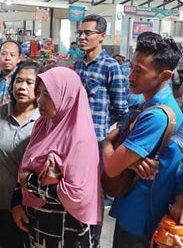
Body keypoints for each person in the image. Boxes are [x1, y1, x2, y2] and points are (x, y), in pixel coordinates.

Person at [103, 33, 183, 247]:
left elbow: (111, 167)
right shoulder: (144, 103)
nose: (131, 76)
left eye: (140, 71)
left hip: (141, 214)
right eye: (132, 67)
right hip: (133, 206)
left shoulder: (157, 116)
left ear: (165, 75)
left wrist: (107, 143)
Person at [13, 67, 101, 248]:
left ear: (67, 96)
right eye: (39, 93)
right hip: (39, 222)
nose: (40, 100)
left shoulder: (79, 137)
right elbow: (25, 167)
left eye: (48, 95)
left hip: (66, 227)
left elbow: (76, 193)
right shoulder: (43, 125)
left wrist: (29, 182)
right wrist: (21, 196)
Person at [74, 14, 128, 246]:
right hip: (75, 139)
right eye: (81, 33)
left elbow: (122, 107)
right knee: (78, 190)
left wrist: (105, 129)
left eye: (88, 33)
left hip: (96, 141)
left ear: (102, 36)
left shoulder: (111, 67)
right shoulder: (77, 64)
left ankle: (93, 240)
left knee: (94, 194)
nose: (82, 37)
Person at [0, 61, 44, 248]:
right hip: (3, 198)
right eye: (18, 81)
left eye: (29, 82)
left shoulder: (44, 118)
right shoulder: (0, 114)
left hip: (35, 202)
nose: (22, 87)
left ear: (40, 87)